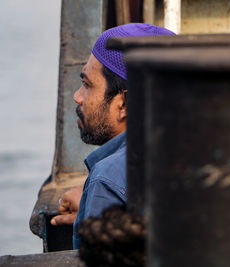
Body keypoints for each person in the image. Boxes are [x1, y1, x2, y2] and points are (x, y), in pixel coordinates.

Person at [50, 23, 175, 249]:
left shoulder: (107, 181)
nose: (78, 97)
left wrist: (98, 201)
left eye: (87, 84)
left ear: (125, 103)